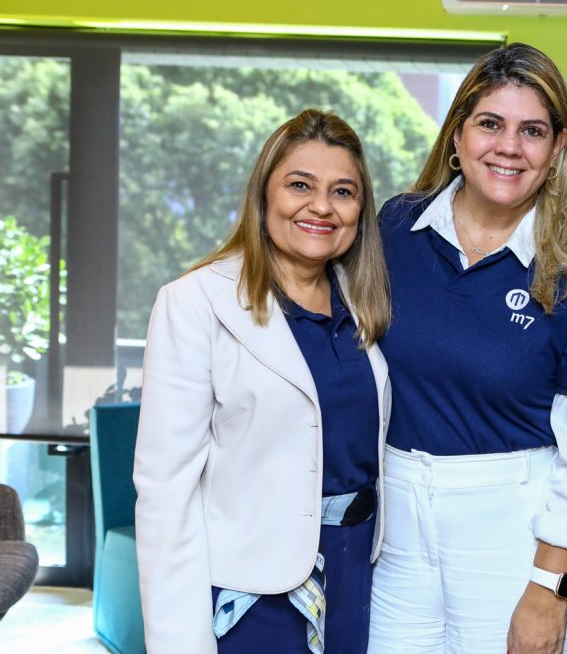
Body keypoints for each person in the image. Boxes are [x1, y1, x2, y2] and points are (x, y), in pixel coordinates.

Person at [368, 43, 567, 654]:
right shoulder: (392, 229)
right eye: (490, 123)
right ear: (457, 135)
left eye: (531, 131)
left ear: (558, 149)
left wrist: (550, 587)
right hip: (395, 523)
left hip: (513, 534)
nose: (508, 147)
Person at [134, 109, 391, 654]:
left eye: (343, 191)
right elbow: (165, 491)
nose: (321, 206)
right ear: (263, 195)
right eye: (300, 185)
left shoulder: (364, 304)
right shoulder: (194, 302)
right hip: (254, 593)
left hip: (360, 577)